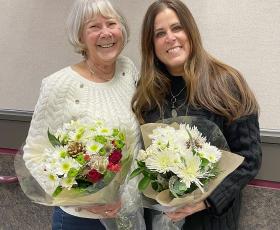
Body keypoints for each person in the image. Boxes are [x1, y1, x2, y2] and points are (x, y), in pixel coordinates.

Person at [132, 0, 262, 229]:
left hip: (211, 221)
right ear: (151, 44)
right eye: (159, 33)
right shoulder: (147, 92)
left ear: (190, 31)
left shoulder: (226, 83)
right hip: (161, 221)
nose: (170, 38)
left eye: (177, 28)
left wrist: (206, 202)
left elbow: (249, 158)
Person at [23, 0, 141, 229]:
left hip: (127, 209)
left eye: (111, 23)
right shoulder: (59, 85)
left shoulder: (128, 70)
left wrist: (129, 193)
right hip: (80, 218)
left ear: (122, 29)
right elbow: (33, 154)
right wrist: (79, 198)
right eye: (94, 27)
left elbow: (134, 143)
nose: (105, 32)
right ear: (80, 37)